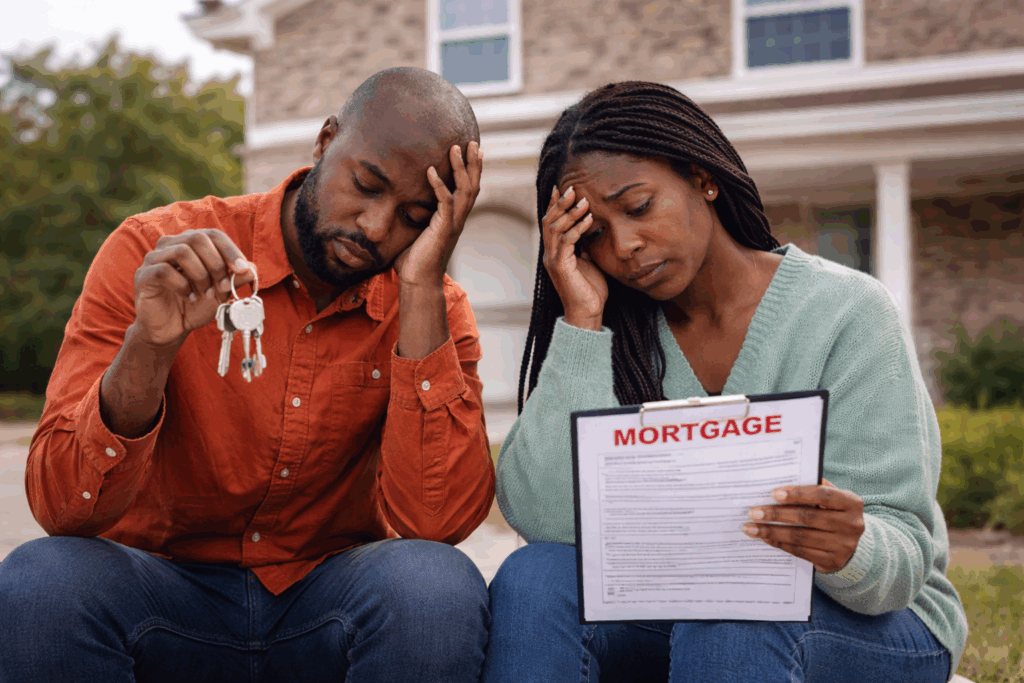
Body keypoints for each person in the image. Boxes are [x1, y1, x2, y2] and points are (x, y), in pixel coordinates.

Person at [1, 67, 494, 683]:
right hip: (160, 594)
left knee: (435, 586)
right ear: (325, 141)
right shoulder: (152, 252)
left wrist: (420, 289)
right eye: (366, 185)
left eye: (414, 217)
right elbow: (62, 509)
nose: (375, 227)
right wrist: (150, 349)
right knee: (42, 583)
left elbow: (437, 524)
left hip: (324, 604)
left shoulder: (432, 309)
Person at [482, 81, 967, 683]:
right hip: (681, 605)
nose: (625, 247)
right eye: (595, 234)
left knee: (737, 610)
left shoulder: (848, 312)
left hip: (869, 621)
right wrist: (581, 322)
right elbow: (548, 523)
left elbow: (905, 561)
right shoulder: (615, 335)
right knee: (533, 579)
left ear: (703, 178)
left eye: (638, 207)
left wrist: (850, 548)